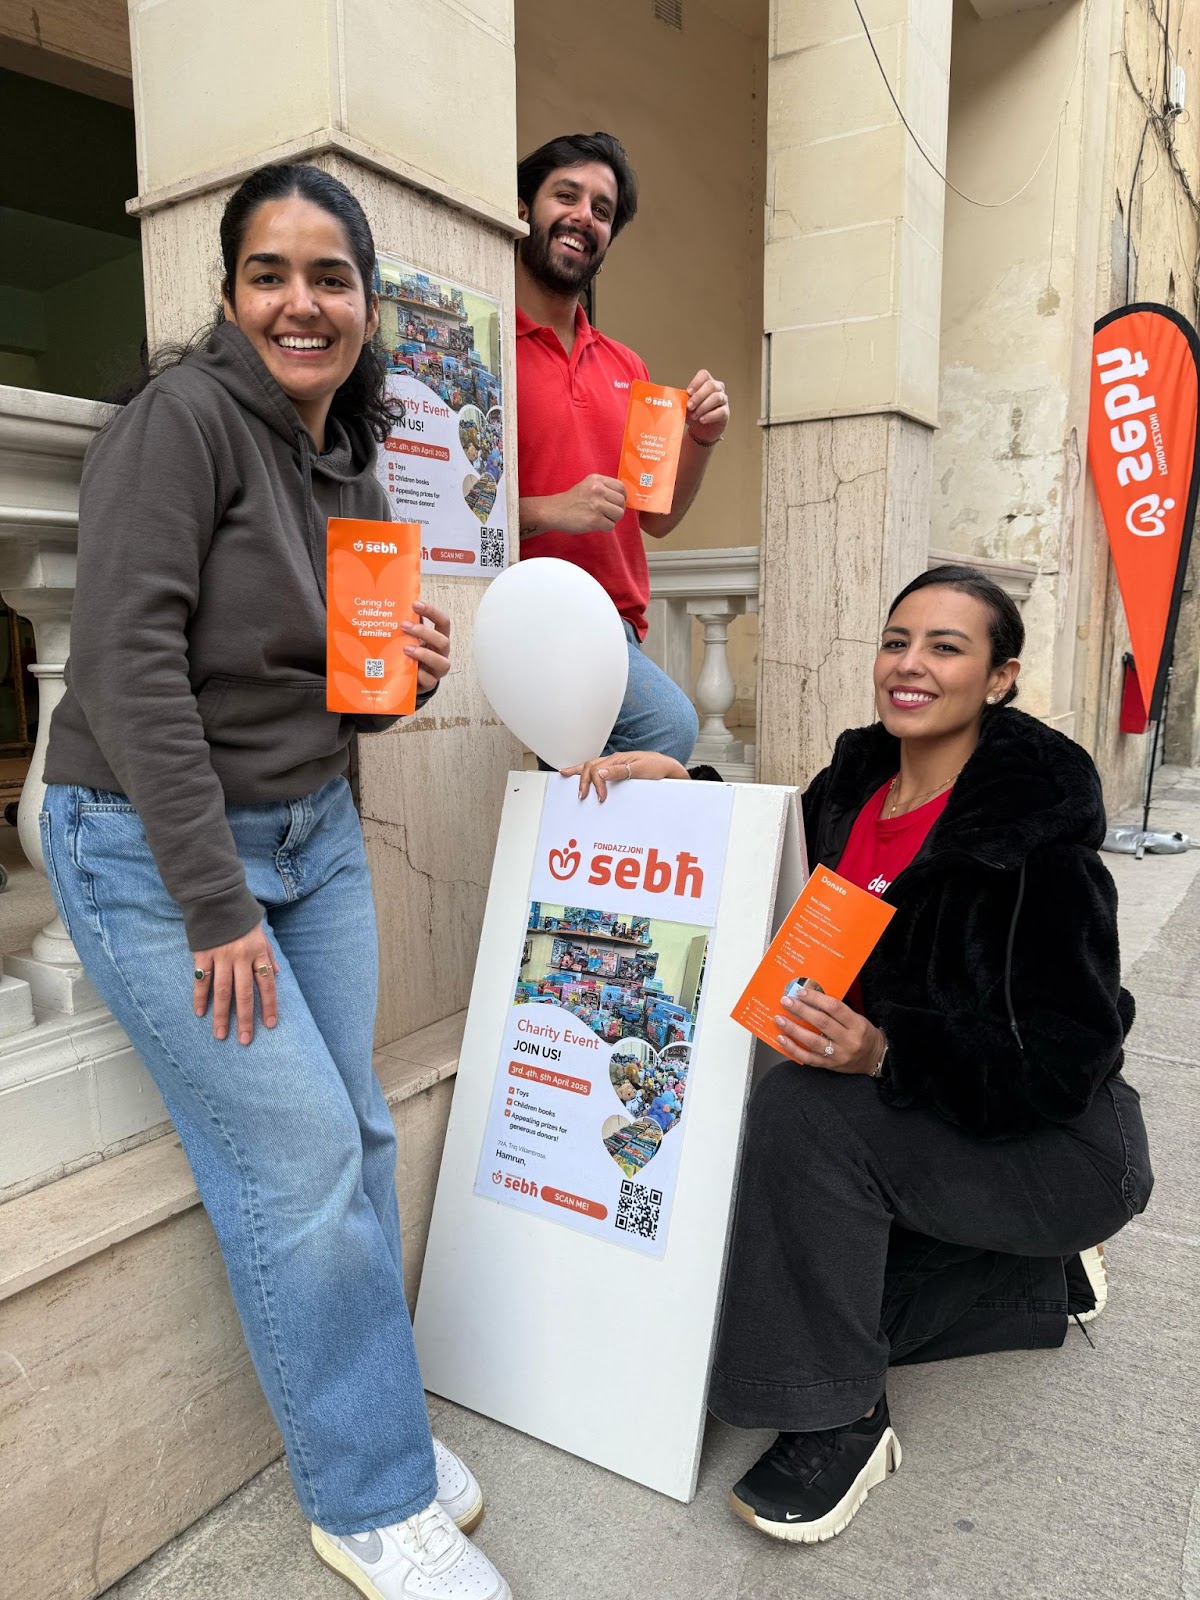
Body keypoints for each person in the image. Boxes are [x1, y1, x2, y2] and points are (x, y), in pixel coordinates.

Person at [41, 164, 510, 1600]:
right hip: (155, 848)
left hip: (312, 836)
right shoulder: (178, 425)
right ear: (231, 293)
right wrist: (216, 902)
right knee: (299, 1160)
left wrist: (401, 679)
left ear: (365, 302)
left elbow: (335, 692)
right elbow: (127, 674)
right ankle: (367, 1501)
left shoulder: (350, 456)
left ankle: (376, 1429)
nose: (301, 303)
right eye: (269, 274)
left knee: (354, 1136)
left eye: (330, 277)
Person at [566, 563, 1153, 1546]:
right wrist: (688, 793)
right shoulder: (855, 782)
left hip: (1062, 1141)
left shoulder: (1031, 837)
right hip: (933, 1126)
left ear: (999, 678)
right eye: (896, 641)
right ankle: (1035, 1279)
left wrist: (888, 1052)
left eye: (946, 647)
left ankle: (840, 1419)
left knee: (803, 1117)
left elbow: (1066, 1059)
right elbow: (778, 854)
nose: (910, 665)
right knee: (762, 1297)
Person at [514, 130, 730, 764]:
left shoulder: (626, 365)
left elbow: (655, 517)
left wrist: (701, 438)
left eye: (602, 210)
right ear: (523, 209)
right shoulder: (486, 347)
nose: (584, 216)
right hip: (531, 617)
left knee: (584, 785)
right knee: (667, 729)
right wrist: (551, 510)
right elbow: (450, 513)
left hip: (615, 628)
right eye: (566, 196)